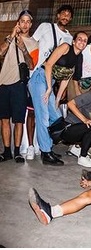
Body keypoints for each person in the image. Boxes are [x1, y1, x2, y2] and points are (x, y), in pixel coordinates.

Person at [28, 30, 87, 166]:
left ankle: (48, 148)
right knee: (43, 116)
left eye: (85, 40)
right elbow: (48, 65)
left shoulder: (79, 58)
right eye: (79, 39)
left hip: (51, 82)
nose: (82, 42)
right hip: (40, 79)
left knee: (56, 116)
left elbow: (66, 78)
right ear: (74, 41)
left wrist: (57, 99)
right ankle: (46, 152)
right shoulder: (66, 47)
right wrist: (49, 89)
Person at [0, 10, 36, 163]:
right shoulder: (9, 38)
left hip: (19, 85)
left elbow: (32, 64)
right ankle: (6, 151)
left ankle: (17, 152)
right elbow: (0, 52)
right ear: (18, 23)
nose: (25, 24)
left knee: (19, 120)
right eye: (22, 21)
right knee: (4, 119)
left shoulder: (34, 42)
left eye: (28, 21)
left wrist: (23, 48)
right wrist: (11, 37)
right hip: (3, 83)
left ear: (31, 24)